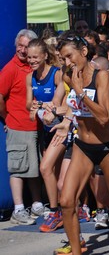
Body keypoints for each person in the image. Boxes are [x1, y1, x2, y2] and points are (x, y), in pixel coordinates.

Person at [51, 32, 109, 255]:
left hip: (108, 146)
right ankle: (76, 249)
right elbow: (71, 106)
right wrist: (59, 116)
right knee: (67, 200)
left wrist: (80, 91)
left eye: (70, 56)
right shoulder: (66, 74)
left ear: (83, 52)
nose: (67, 63)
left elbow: (103, 116)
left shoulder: (101, 77)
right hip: (82, 145)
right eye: (63, 59)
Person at [0, 29, 46, 225]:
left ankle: (36, 204)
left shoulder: (33, 67)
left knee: (34, 168)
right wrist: (7, 117)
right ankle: (18, 209)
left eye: (26, 46)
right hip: (18, 126)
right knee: (18, 169)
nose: (22, 49)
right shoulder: (11, 69)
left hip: (36, 127)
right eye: (19, 45)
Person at [26, 39, 66, 232]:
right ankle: (66, 210)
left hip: (61, 128)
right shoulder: (30, 77)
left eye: (35, 57)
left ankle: (55, 211)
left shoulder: (56, 74)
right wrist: (34, 107)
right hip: (46, 130)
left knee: (45, 168)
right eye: (29, 57)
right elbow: (28, 104)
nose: (31, 60)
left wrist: (46, 107)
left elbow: (63, 103)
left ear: (44, 56)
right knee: (54, 173)